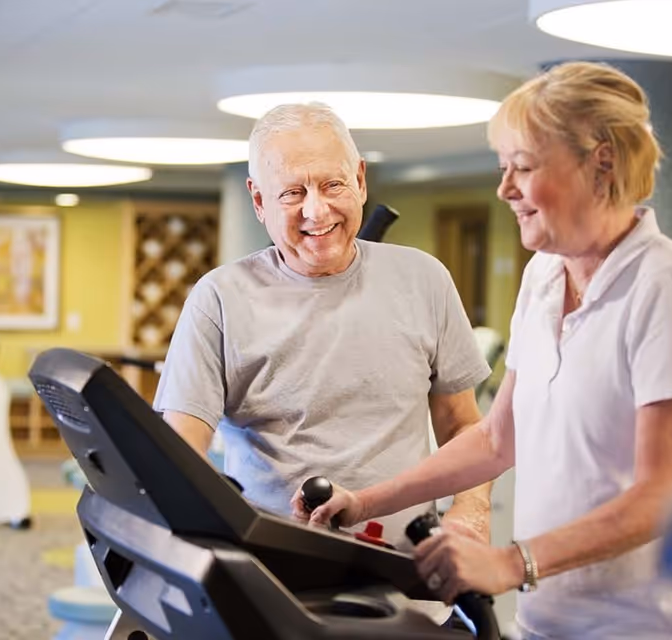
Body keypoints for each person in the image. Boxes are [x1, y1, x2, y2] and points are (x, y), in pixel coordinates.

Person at [295, 61, 672, 639]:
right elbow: (500, 437)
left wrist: (510, 561)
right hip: (548, 618)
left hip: (643, 624)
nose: (505, 189)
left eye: (522, 167)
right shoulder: (545, 277)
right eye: (504, 168)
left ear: (601, 162)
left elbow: (662, 496)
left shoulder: (666, 283)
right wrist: (365, 501)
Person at [153, 102, 493, 550]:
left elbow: (462, 426)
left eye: (333, 184)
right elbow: (181, 452)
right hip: (270, 570)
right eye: (292, 193)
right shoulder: (219, 298)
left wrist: (470, 510)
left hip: (409, 572)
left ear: (360, 179)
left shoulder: (424, 279)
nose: (317, 211)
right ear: (258, 200)